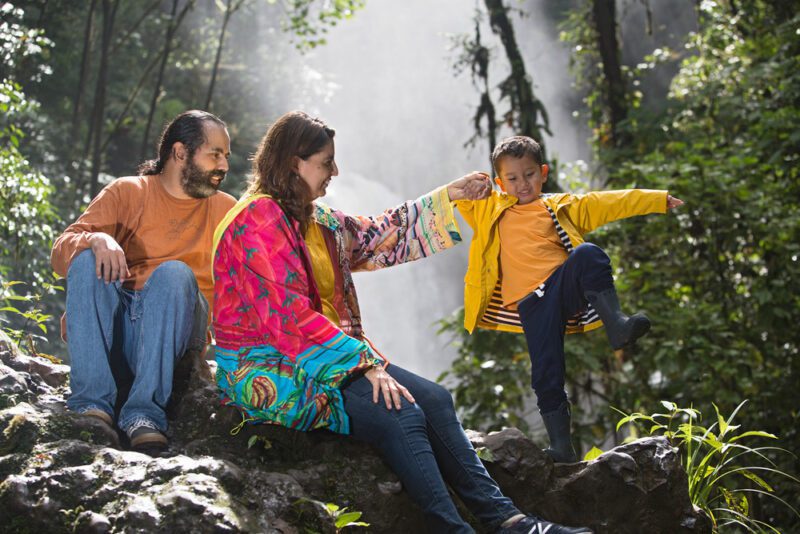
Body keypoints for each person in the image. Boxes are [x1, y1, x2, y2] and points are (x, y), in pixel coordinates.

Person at [212, 111, 592, 533]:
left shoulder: (312, 216)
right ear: (291, 163)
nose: (335, 172)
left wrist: (451, 196)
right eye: (325, 162)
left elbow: (376, 236)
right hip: (269, 366)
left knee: (434, 399)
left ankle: (508, 519)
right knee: (402, 413)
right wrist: (365, 365)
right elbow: (288, 317)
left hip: (324, 356)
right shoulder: (258, 219)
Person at [454, 135, 684, 463]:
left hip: (561, 287)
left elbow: (610, 202)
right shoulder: (490, 211)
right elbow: (458, 198)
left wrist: (657, 199)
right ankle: (562, 446)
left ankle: (616, 325)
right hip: (530, 304)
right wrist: (472, 184)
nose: (522, 184)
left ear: (543, 172)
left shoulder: (560, 206)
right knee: (546, 371)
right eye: (513, 178)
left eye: (530, 174)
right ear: (500, 183)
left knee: (589, 254)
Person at [51, 110, 237, 454]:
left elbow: (249, 292)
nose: (224, 165)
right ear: (180, 153)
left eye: (226, 155)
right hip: (117, 335)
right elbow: (61, 251)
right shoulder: (127, 192)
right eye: (215, 154)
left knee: (173, 273)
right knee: (89, 254)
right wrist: (95, 240)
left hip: (177, 335)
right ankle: (91, 405)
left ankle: (144, 414)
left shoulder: (228, 211)